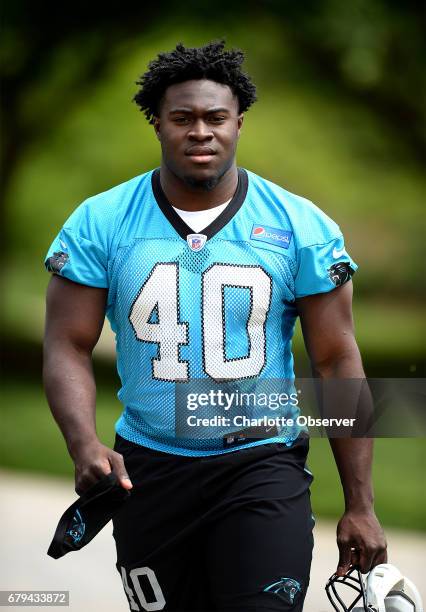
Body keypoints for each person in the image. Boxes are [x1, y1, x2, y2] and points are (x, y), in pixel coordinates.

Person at [43, 41, 387, 611]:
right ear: (158, 124)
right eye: (182, 118)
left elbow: (336, 362)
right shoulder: (101, 221)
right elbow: (67, 343)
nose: (200, 131)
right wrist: (83, 443)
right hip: (150, 469)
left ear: (239, 124)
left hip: (260, 464)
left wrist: (361, 503)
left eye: (215, 117)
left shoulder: (299, 225)